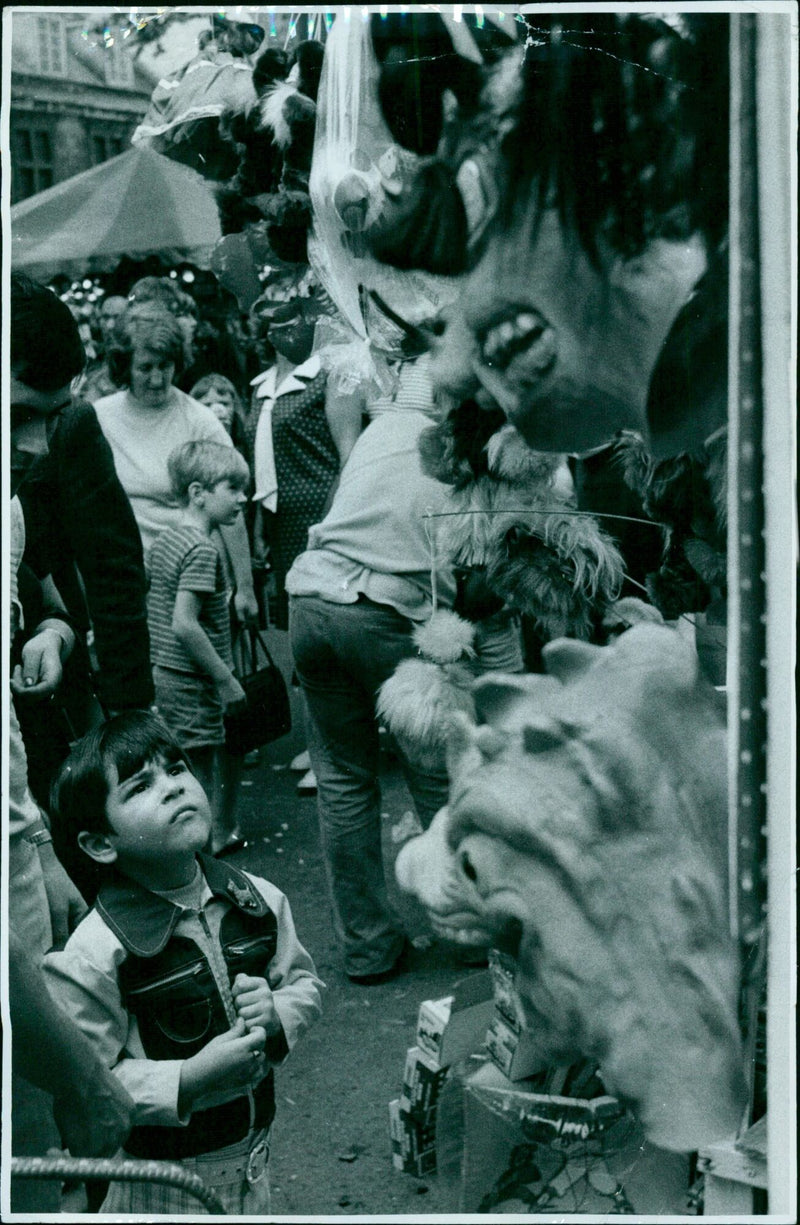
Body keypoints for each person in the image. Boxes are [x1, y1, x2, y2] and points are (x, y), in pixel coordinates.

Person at [43, 710, 323, 1216]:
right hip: (158, 1184)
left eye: (177, 769)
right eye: (139, 787)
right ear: (101, 844)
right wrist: (189, 1077)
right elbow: (90, 1079)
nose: (173, 788)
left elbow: (303, 982)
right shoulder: (95, 952)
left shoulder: (257, 899)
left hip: (254, 1158)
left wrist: (279, 1012)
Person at [286, 407, 458, 982]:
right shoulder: (465, 443)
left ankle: (366, 946)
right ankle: (465, 926)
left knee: (342, 782)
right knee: (435, 769)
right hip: (387, 610)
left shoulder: (382, 426)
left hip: (311, 598)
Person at [10, 274, 153, 720]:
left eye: (53, 416)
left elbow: (115, 570)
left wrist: (129, 714)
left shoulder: (76, 426)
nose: (37, 445)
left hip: (46, 689)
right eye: (18, 415)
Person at [93, 307, 259, 625]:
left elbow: (232, 509)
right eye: (145, 367)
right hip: (128, 582)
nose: (157, 379)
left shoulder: (199, 420)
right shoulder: (100, 418)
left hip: (191, 582)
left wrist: (245, 588)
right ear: (124, 365)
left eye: (165, 366)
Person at [147, 440, 250, 852]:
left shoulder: (169, 538)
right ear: (197, 493)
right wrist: (226, 679)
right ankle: (202, 859)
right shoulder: (202, 550)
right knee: (199, 774)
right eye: (233, 488)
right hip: (191, 679)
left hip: (166, 673)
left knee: (181, 765)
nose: (243, 498)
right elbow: (185, 625)